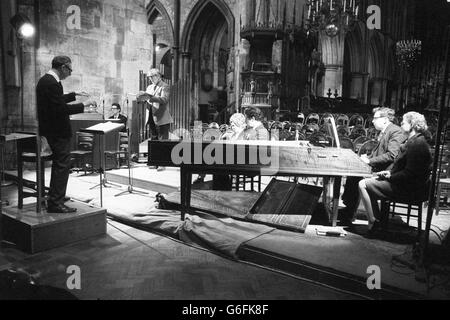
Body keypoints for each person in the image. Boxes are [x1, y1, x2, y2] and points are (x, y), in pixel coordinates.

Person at [36, 55, 96, 214]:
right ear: (63, 67)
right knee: (62, 166)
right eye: (70, 69)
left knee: (60, 165)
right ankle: (55, 203)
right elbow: (60, 109)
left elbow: (57, 101)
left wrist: (74, 94)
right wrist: (84, 105)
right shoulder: (52, 83)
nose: (70, 73)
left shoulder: (47, 81)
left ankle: (56, 197)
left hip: (52, 131)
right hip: (57, 132)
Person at [358, 112, 432, 236]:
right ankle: (377, 221)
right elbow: (403, 167)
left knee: (363, 184)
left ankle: (373, 221)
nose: (401, 123)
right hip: (405, 184)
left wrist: (391, 176)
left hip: (410, 190)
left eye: (403, 122)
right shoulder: (414, 141)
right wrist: (389, 172)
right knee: (369, 181)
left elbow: (410, 174)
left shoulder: (417, 144)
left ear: (412, 125)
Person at [339, 107, 407, 224]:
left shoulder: (395, 131)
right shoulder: (386, 131)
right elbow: (381, 152)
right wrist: (367, 158)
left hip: (387, 171)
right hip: (381, 167)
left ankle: (349, 212)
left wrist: (369, 161)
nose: (372, 121)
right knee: (353, 173)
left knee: (355, 175)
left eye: (375, 118)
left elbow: (392, 155)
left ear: (385, 120)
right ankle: (348, 210)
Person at [137, 68, 173, 171]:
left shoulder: (165, 86)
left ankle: (162, 163)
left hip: (161, 116)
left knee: (162, 141)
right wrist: (141, 98)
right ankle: (154, 162)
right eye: (149, 78)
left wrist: (150, 97)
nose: (151, 80)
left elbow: (164, 99)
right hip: (150, 116)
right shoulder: (149, 87)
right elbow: (147, 100)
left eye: (152, 77)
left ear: (158, 76)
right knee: (154, 140)